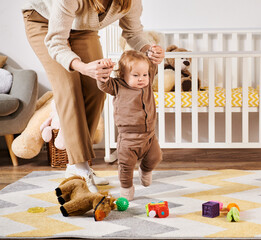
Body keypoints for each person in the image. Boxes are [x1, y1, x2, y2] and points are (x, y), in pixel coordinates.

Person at [22, 0, 165, 192]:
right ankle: (78, 166)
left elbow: (133, 33)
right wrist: (82, 67)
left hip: (82, 27)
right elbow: (56, 42)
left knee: (97, 87)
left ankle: (78, 164)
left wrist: (148, 50)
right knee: (69, 89)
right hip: (44, 22)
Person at [97, 50, 162, 201]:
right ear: (123, 76)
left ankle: (145, 170)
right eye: (136, 75)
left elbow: (152, 67)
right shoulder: (118, 86)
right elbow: (103, 84)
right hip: (128, 138)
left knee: (156, 156)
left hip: (149, 135)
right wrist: (104, 70)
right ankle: (126, 187)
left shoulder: (147, 84)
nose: (142, 79)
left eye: (144, 75)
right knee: (126, 166)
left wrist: (152, 52)